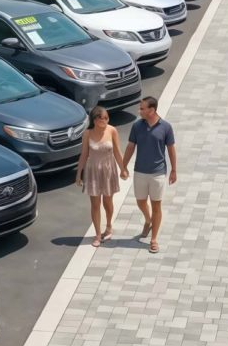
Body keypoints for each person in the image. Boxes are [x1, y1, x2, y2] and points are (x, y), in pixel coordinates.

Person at [119, 95, 178, 253]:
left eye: (142, 108)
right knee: (140, 201)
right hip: (140, 171)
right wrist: (123, 166)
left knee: (156, 205)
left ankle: (153, 239)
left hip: (158, 173)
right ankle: (148, 220)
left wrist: (174, 170)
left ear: (151, 110)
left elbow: (171, 149)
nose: (139, 111)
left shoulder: (166, 127)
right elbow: (131, 147)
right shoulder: (137, 126)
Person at [74, 103, 123, 246]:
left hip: (108, 170)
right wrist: (78, 174)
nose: (105, 121)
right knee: (95, 204)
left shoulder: (112, 131)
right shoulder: (87, 134)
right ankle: (97, 234)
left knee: (108, 201)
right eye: (102, 118)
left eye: (107, 118)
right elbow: (84, 154)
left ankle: (108, 225)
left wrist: (123, 169)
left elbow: (117, 152)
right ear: (95, 120)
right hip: (93, 172)